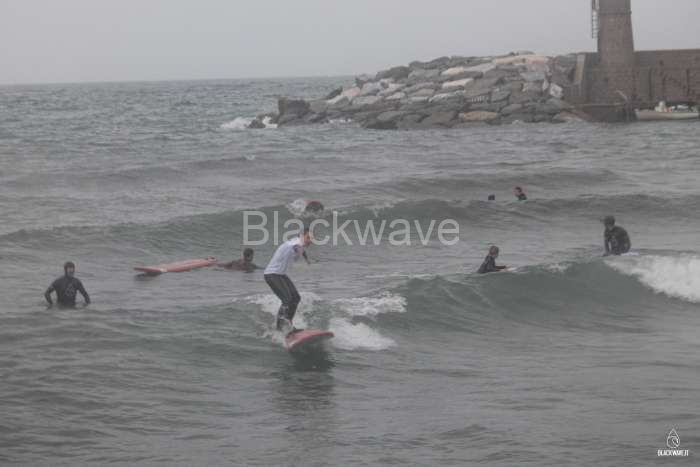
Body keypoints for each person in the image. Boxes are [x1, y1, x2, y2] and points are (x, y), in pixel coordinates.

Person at [264, 228, 312, 334]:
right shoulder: (296, 243)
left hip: (280, 274)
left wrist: (307, 259)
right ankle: (279, 328)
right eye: (308, 237)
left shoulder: (297, 241)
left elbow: (302, 249)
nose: (310, 240)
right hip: (271, 274)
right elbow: (297, 247)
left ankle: (289, 325)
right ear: (301, 236)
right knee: (287, 300)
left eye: (312, 238)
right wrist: (299, 252)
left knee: (296, 297)